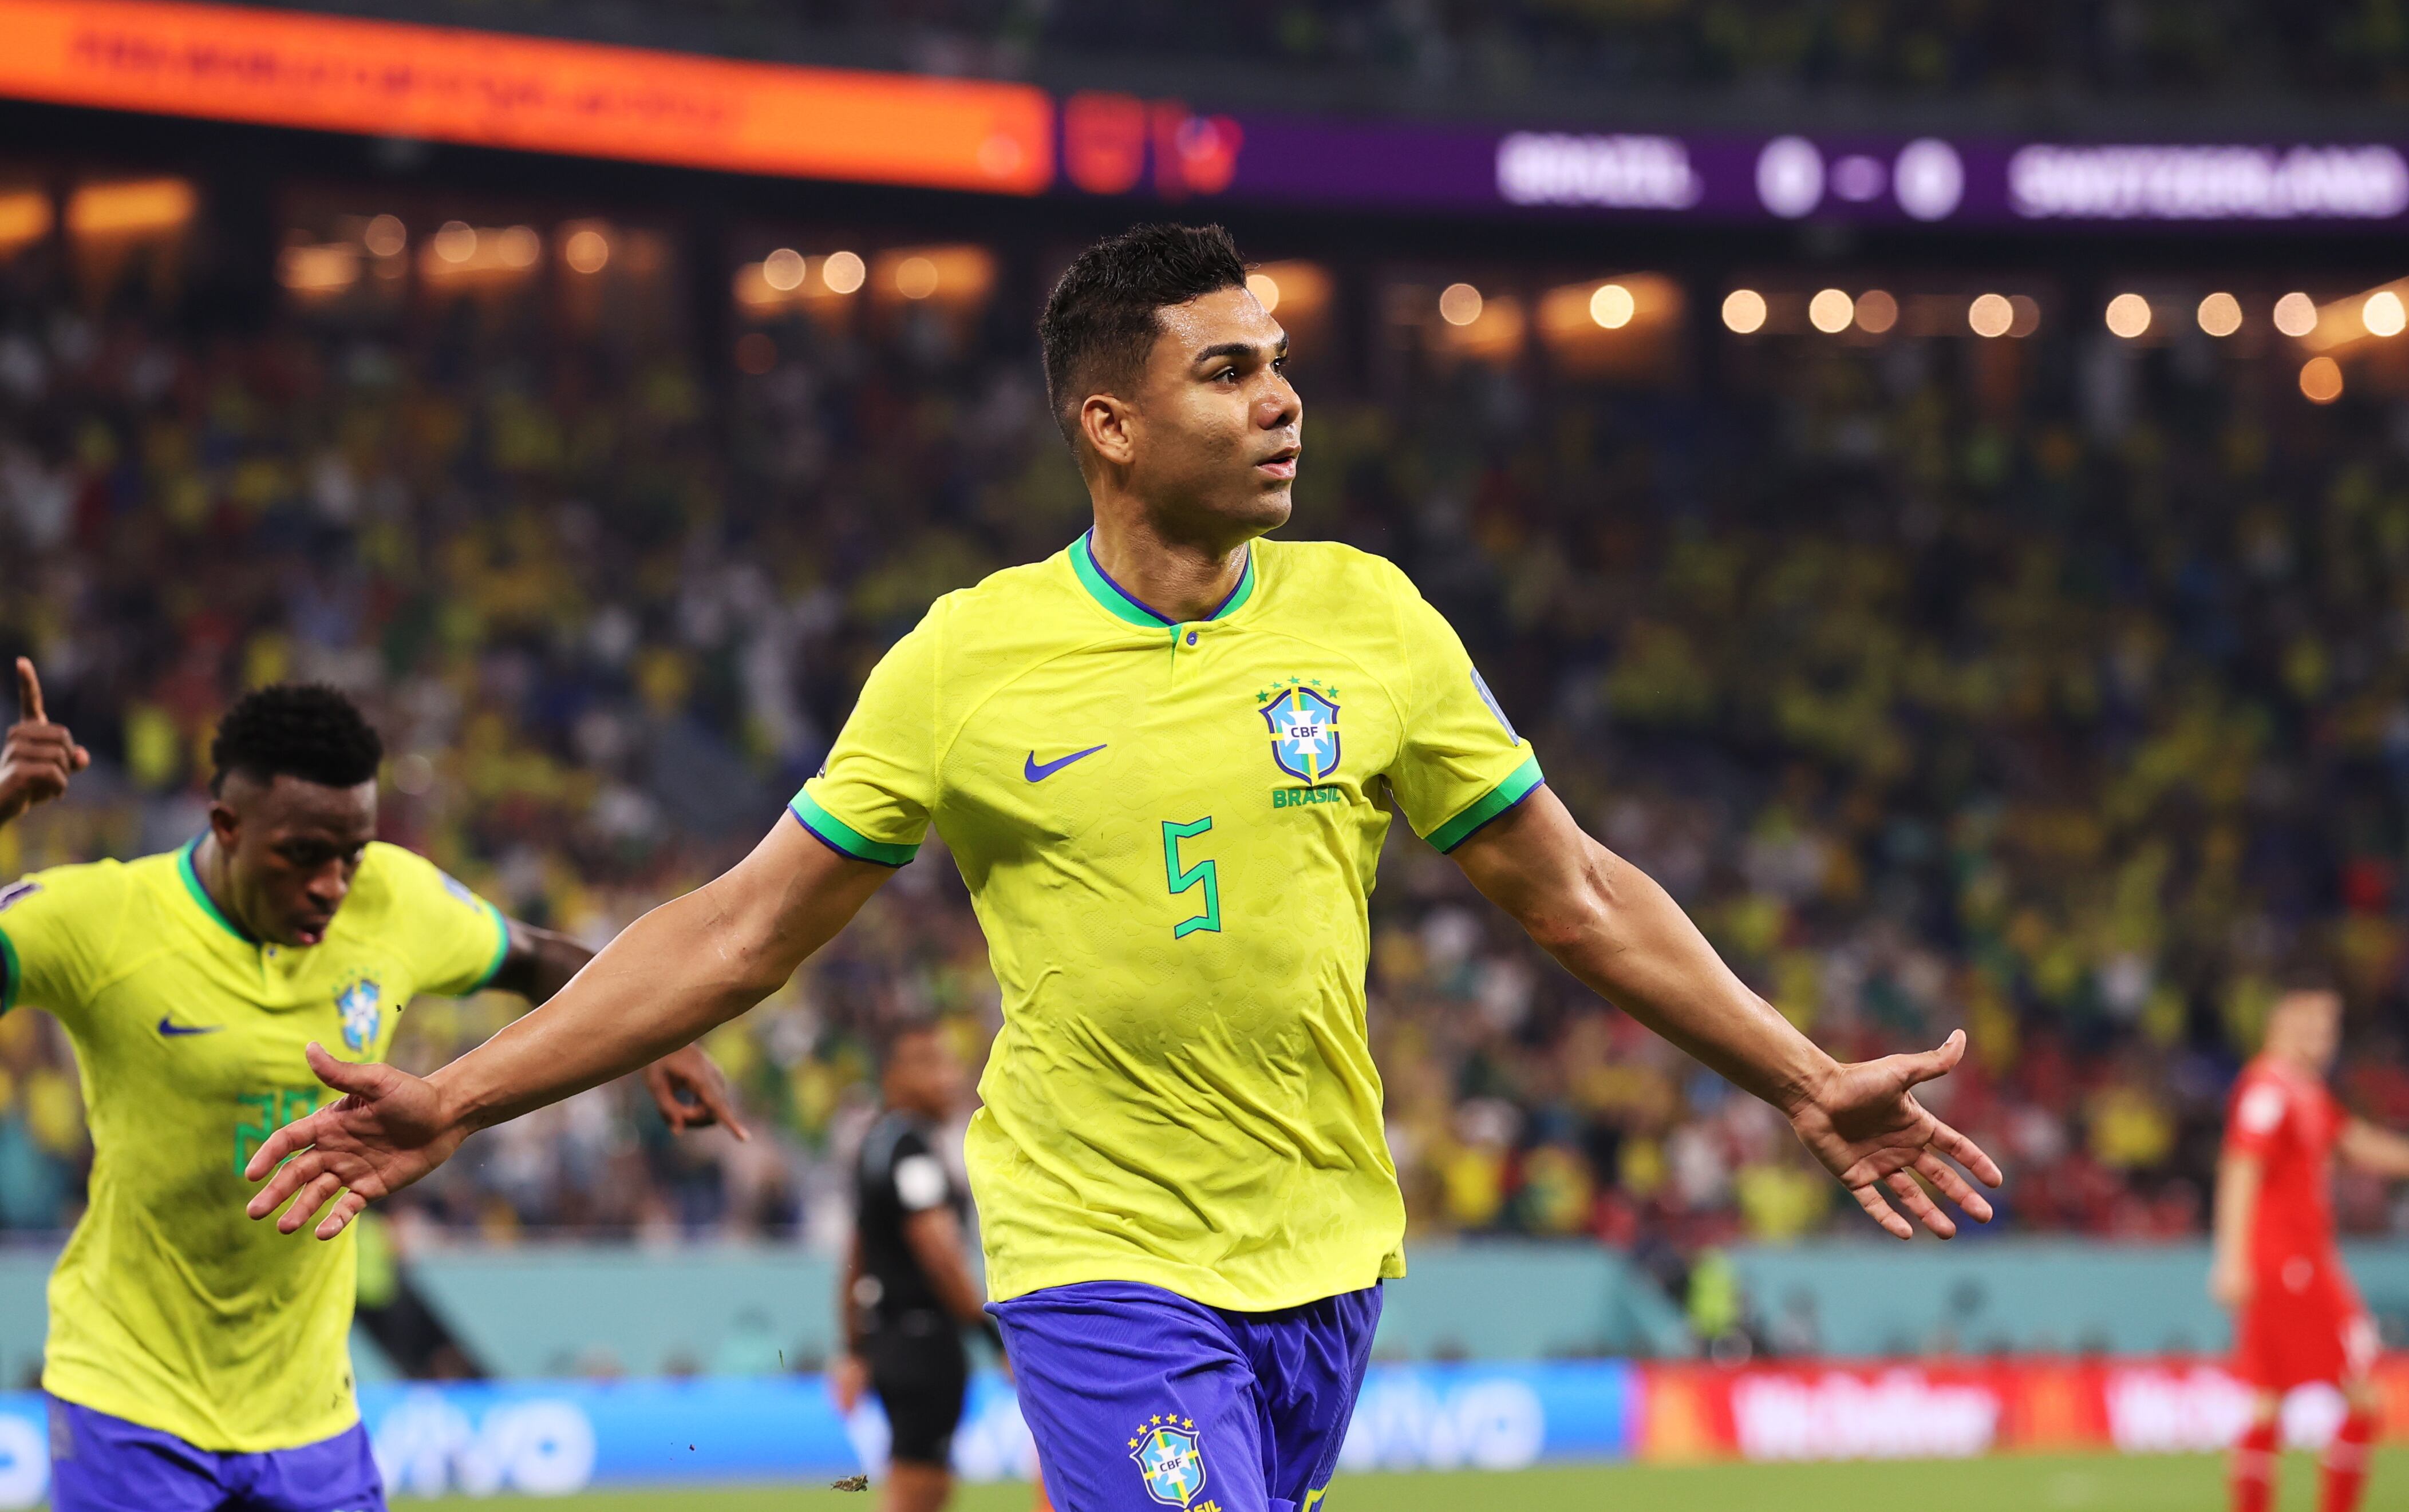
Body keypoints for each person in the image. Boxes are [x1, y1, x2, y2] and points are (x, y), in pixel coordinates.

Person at [243, 222, 2003, 1512]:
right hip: (1098, 1255)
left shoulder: (1368, 617)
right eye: (1223, 370)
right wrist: (458, 1097)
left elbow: (1575, 893)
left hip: (1323, 1253)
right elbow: (738, 925)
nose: (1279, 401)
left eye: (1279, 362)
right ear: (1106, 422)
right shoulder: (967, 660)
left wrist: (1795, 1073)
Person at [0, 666, 742, 1512]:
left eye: (351, 853)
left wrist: (657, 1031)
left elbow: (538, 956)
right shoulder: (101, 919)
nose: (333, 884)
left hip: (311, 1409)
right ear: (226, 825)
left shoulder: (396, 895)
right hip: (129, 1396)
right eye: (303, 855)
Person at [2211, 971, 2409, 1512]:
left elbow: (2356, 1143)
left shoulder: (2305, 1090)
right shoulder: (2267, 1090)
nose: (2326, 1035)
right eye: (2314, 1022)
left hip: (2294, 1262)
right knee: (2363, 1395)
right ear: (2281, 1021)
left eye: (2332, 1024)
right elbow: (2241, 1165)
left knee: (2268, 1402)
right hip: (2291, 1265)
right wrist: (2230, 1259)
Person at [831, 1019, 1000, 1510]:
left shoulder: (876, 1143)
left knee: (912, 1482)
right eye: (927, 1063)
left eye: (948, 1061)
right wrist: (993, 1337)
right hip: (924, 1343)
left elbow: (856, 1254)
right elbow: (939, 1252)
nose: (946, 1076)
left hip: (891, 1341)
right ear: (891, 1076)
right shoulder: (910, 1150)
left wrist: (855, 1347)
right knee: (920, 1492)